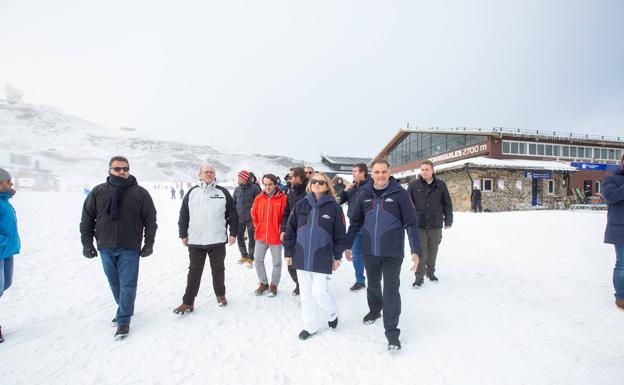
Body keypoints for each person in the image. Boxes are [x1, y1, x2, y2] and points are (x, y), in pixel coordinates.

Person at [345, 159, 420, 351]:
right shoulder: (364, 194)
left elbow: (411, 223)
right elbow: (355, 223)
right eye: (377, 172)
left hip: (392, 252)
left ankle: (392, 332)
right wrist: (346, 245)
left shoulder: (400, 194)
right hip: (369, 250)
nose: (380, 175)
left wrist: (415, 250)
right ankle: (374, 310)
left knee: (391, 289)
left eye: (384, 172)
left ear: (389, 172)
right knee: (373, 284)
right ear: (372, 173)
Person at [80, 156, 157, 340]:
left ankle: (123, 320)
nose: (122, 171)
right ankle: (125, 307)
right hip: (105, 246)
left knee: (127, 283)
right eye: (117, 169)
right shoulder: (98, 192)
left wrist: (149, 244)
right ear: (109, 170)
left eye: (125, 168)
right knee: (115, 283)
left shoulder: (140, 193)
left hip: (130, 246)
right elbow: (87, 219)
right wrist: (87, 243)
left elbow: (150, 220)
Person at [283, 173, 347, 340]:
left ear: (327, 186)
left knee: (319, 292)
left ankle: (332, 314)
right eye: (314, 181)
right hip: (301, 255)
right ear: (309, 185)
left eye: (321, 182)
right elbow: (290, 230)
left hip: (322, 256)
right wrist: (289, 253)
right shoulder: (301, 205)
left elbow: (340, 235)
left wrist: (337, 257)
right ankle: (311, 325)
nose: (317, 184)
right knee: (306, 294)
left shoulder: (334, 208)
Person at [174, 165, 238, 314]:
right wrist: (183, 234)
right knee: (194, 272)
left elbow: (232, 215)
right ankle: (188, 302)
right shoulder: (192, 192)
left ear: (214, 175)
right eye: (206, 172)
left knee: (218, 270)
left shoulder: (222, 192)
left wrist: (233, 233)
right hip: (196, 240)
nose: (209, 174)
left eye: (211, 172)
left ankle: (220, 295)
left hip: (217, 240)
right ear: (200, 175)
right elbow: (184, 215)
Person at [408, 160, 453, 287]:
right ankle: (419, 277)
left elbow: (447, 204)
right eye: (422, 169)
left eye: (427, 169)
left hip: (435, 223)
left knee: (433, 250)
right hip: (419, 224)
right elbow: (407, 205)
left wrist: (448, 220)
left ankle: (430, 272)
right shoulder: (413, 185)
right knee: (421, 251)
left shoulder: (441, 185)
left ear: (433, 170)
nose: (424, 172)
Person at [250, 174, 286, 296]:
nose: (267, 187)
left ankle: (274, 285)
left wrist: (281, 230)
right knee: (258, 259)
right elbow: (253, 213)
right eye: (265, 184)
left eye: (270, 184)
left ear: (275, 184)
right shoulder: (259, 198)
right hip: (261, 236)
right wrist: (257, 226)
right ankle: (263, 283)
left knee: (276, 262)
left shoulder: (282, 198)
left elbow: (285, 217)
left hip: (275, 236)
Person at [338, 163, 370, 291]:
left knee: (371, 255)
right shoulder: (350, 188)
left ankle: (374, 278)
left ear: (363, 173)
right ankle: (360, 280)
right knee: (356, 255)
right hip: (354, 226)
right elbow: (338, 201)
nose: (353, 174)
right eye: (352, 172)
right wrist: (344, 190)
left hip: (369, 226)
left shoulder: (371, 186)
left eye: (355, 171)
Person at [281, 167, 309, 296]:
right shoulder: (291, 192)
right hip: (291, 232)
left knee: (306, 261)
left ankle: (308, 286)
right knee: (290, 263)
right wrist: (283, 229)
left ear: (299, 177)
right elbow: (286, 212)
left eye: (291, 177)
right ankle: (299, 284)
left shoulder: (310, 191)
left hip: (306, 233)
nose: (289, 179)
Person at [0, 168, 20, 343]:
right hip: (1, 249)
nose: (11, 184)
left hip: (6, 252)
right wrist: (3, 242)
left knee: (4, 284)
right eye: (8, 181)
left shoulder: (4, 200)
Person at [603, 154, 624, 311]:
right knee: (622, 264)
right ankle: (621, 297)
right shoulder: (611, 180)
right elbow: (610, 196)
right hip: (620, 229)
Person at [233, 170, 261, 267]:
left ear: (245, 178)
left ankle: (251, 257)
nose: (238, 179)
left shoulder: (255, 189)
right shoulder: (237, 189)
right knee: (240, 237)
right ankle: (244, 255)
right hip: (239, 219)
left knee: (252, 238)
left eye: (240, 178)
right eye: (238, 178)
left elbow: (260, 204)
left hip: (251, 219)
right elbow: (233, 203)